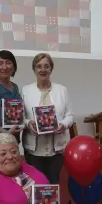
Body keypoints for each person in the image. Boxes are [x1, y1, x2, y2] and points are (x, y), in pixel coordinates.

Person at [21, 53, 74, 184]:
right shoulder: (25, 90)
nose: (43, 69)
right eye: (39, 66)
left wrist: (63, 125)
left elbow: (69, 115)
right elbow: (20, 117)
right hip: (33, 148)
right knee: (35, 185)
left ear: (51, 69)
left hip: (56, 149)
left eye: (46, 66)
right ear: (34, 69)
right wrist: (28, 123)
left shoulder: (62, 90)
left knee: (53, 183)